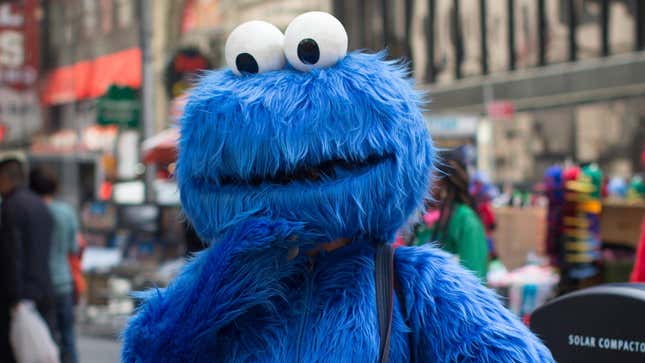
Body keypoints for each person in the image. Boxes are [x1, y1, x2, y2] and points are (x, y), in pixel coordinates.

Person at [122, 13, 553, 362]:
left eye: (315, 173)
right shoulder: (220, 282)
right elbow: (148, 352)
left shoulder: (408, 281)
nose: (297, 181)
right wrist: (219, 286)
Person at [0, 159, 55, 363]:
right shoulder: (40, 206)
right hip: (44, 291)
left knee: (17, 352)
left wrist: (15, 298)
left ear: (5, 178)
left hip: (20, 297)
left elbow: (12, 254)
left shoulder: (10, 207)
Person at [29, 166, 79, 363]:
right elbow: (73, 248)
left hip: (40, 285)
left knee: (43, 342)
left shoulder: (31, 212)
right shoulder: (66, 212)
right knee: (68, 339)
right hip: (64, 282)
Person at [413, 152, 490, 280]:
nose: (419, 181)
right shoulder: (421, 221)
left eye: (427, 175)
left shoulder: (465, 220)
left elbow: (476, 278)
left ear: (443, 182)